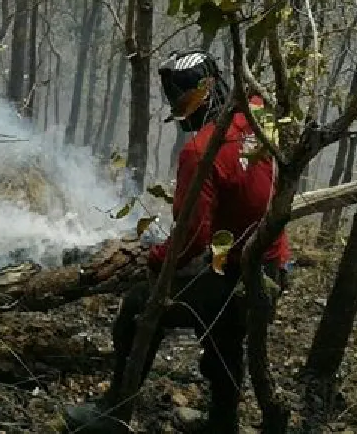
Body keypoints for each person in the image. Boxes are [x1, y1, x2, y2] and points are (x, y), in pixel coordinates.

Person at [63, 49, 292, 434]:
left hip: (235, 271)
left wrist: (155, 258)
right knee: (224, 339)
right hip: (272, 267)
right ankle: (222, 423)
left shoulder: (200, 152)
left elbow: (191, 242)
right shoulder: (259, 110)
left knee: (138, 307)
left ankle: (113, 413)